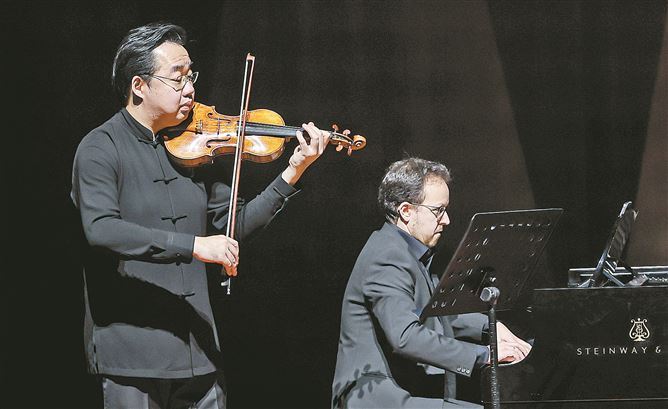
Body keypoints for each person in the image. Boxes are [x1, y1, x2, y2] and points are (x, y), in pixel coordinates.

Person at [70, 22, 330, 408]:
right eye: (177, 78)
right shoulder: (100, 148)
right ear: (139, 86)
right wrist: (194, 245)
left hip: (198, 350)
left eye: (190, 75)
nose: (190, 88)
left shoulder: (197, 148)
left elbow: (235, 226)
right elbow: (102, 230)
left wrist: (293, 171)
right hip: (132, 355)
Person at [331, 157, 531, 408]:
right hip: (375, 397)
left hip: (403, 390)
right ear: (406, 211)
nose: (446, 220)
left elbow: (437, 315)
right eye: (438, 210)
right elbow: (405, 336)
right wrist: (486, 355)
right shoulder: (387, 255)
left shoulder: (405, 250)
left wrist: (490, 329)